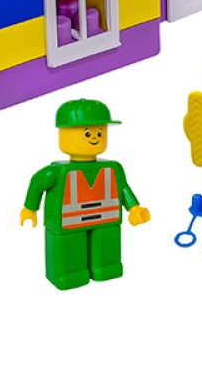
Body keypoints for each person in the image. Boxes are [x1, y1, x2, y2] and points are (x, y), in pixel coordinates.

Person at [20, 98, 149, 289]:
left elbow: (123, 188)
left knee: (107, 247)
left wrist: (134, 208)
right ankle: (70, 274)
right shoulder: (56, 172)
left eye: (100, 132)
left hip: (106, 220)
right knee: (70, 249)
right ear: (63, 133)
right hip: (69, 224)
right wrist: (30, 209)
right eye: (87, 133)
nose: (94, 137)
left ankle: (106, 267)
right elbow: (37, 184)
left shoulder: (113, 168)